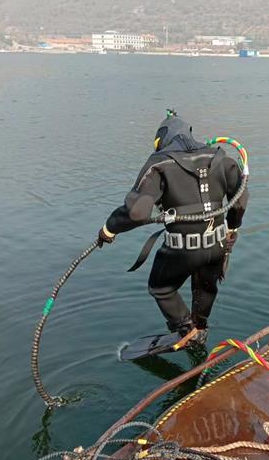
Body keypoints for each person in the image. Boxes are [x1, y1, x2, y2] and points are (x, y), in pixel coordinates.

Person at [97, 111, 248, 346]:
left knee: (161, 288)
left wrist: (109, 228)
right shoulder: (220, 157)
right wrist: (233, 228)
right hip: (218, 246)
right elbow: (240, 200)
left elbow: (137, 212)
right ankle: (200, 327)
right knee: (206, 286)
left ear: (161, 140)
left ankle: (186, 330)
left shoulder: (159, 163)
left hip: (182, 250)